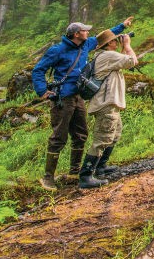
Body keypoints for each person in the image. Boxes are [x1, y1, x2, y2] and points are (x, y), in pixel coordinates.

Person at [32, 16, 133, 190]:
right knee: (59, 137)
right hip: (62, 98)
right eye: (85, 30)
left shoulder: (86, 44)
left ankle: (74, 172)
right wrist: (42, 91)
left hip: (78, 97)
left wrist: (122, 26)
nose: (88, 32)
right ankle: (48, 177)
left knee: (81, 135)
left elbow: (105, 37)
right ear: (76, 34)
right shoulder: (58, 50)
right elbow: (38, 70)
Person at [79, 29, 138, 189]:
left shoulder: (105, 56)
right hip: (106, 105)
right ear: (109, 43)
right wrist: (127, 45)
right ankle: (86, 176)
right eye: (115, 40)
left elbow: (120, 62)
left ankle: (101, 166)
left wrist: (122, 47)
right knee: (102, 139)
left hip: (109, 104)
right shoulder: (108, 56)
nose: (117, 42)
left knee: (115, 134)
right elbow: (132, 61)